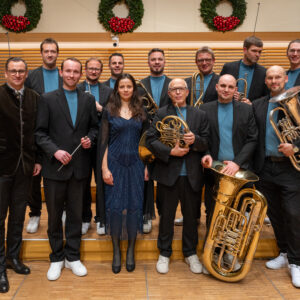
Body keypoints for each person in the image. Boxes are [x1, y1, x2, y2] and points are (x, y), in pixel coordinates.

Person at [35, 58, 98, 281]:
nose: (72, 75)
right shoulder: (47, 99)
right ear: (61, 73)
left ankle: (72, 257)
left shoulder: (89, 99)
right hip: (55, 169)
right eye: (68, 71)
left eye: (75, 72)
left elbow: (94, 128)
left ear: (81, 75)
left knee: (74, 215)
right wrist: (55, 151)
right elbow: (40, 133)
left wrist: (90, 139)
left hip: (79, 169)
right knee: (53, 217)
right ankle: (56, 258)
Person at [146, 78, 209, 274]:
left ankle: (190, 253)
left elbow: (207, 141)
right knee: (166, 216)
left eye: (181, 89)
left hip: (192, 175)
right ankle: (164, 253)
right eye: (174, 89)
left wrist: (195, 140)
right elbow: (150, 140)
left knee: (191, 217)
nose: (178, 92)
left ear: (187, 92)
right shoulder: (161, 113)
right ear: (170, 93)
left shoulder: (200, 114)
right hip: (168, 173)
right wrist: (170, 152)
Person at [252, 65, 300, 288]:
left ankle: (296, 262)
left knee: (293, 213)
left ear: (286, 78)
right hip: (266, 167)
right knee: (275, 214)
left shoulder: (297, 101)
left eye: (277, 77)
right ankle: (283, 252)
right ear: (265, 81)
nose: (273, 80)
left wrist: (296, 147)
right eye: (269, 77)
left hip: (290, 167)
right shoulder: (259, 105)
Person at [96, 73, 148, 274]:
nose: (126, 89)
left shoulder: (141, 111)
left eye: (129, 86)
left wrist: (147, 166)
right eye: (122, 86)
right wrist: (104, 168)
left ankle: (131, 250)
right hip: (114, 163)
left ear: (134, 89)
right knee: (115, 207)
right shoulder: (109, 110)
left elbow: (146, 141)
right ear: (116, 89)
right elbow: (104, 142)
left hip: (136, 163)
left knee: (134, 205)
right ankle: (116, 250)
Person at [0, 57, 41, 293]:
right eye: (13, 71)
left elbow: (36, 132)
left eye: (21, 71)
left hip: (25, 167)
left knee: (17, 216)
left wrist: (36, 160)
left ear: (26, 74)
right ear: (6, 73)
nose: (17, 75)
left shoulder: (34, 98)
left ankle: (13, 258)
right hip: (2, 166)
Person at [200, 74, 258, 229]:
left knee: (237, 212)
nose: (226, 90)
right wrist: (205, 153)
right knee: (213, 212)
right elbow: (202, 137)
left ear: (235, 90)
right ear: (216, 87)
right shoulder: (204, 109)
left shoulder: (246, 109)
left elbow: (252, 139)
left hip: (239, 170)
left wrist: (237, 163)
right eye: (223, 86)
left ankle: (229, 251)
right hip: (214, 170)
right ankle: (213, 250)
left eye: (230, 87)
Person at [25, 38, 63, 234]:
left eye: (53, 51)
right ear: (41, 53)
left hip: (59, 133)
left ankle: (63, 209)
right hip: (37, 131)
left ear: (57, 53)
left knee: (62, 172)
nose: (50, 54)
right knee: (34, 175)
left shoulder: (64, 74)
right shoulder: (31, 76)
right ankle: (35, 213)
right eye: (46, 51)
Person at [77, 57, 113, 235]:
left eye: (97, 69)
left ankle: (101, 218)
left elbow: (114, 114)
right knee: (83, 181)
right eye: (90, 68)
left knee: (102, 181)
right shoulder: (77, 89)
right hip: (83, 142)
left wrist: (100, 109)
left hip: (103, 142)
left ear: (101, 71)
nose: (93, 71)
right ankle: (85, 218)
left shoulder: (108, 91)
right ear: (85, 70)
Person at [139, 48, 172, 233]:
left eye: (160, 59)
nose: (157, 62)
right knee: (146, 177)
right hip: (146, 136)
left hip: (167, 137)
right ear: (148, 62)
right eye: (153, 59)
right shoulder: (140, 85)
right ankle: (146, 215)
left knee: (166, 179)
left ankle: (164, 214)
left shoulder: (173, 83)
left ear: (164, 62)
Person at [220, 36, 268, 104]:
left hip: (251, 112)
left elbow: (266, 98)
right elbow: (219, 90)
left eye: (260, 52)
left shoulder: (264, 72)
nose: (257, 55)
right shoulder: (228, 67)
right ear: (245, 50)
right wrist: (229, 94)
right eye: (254, 51)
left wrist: (252, 105)